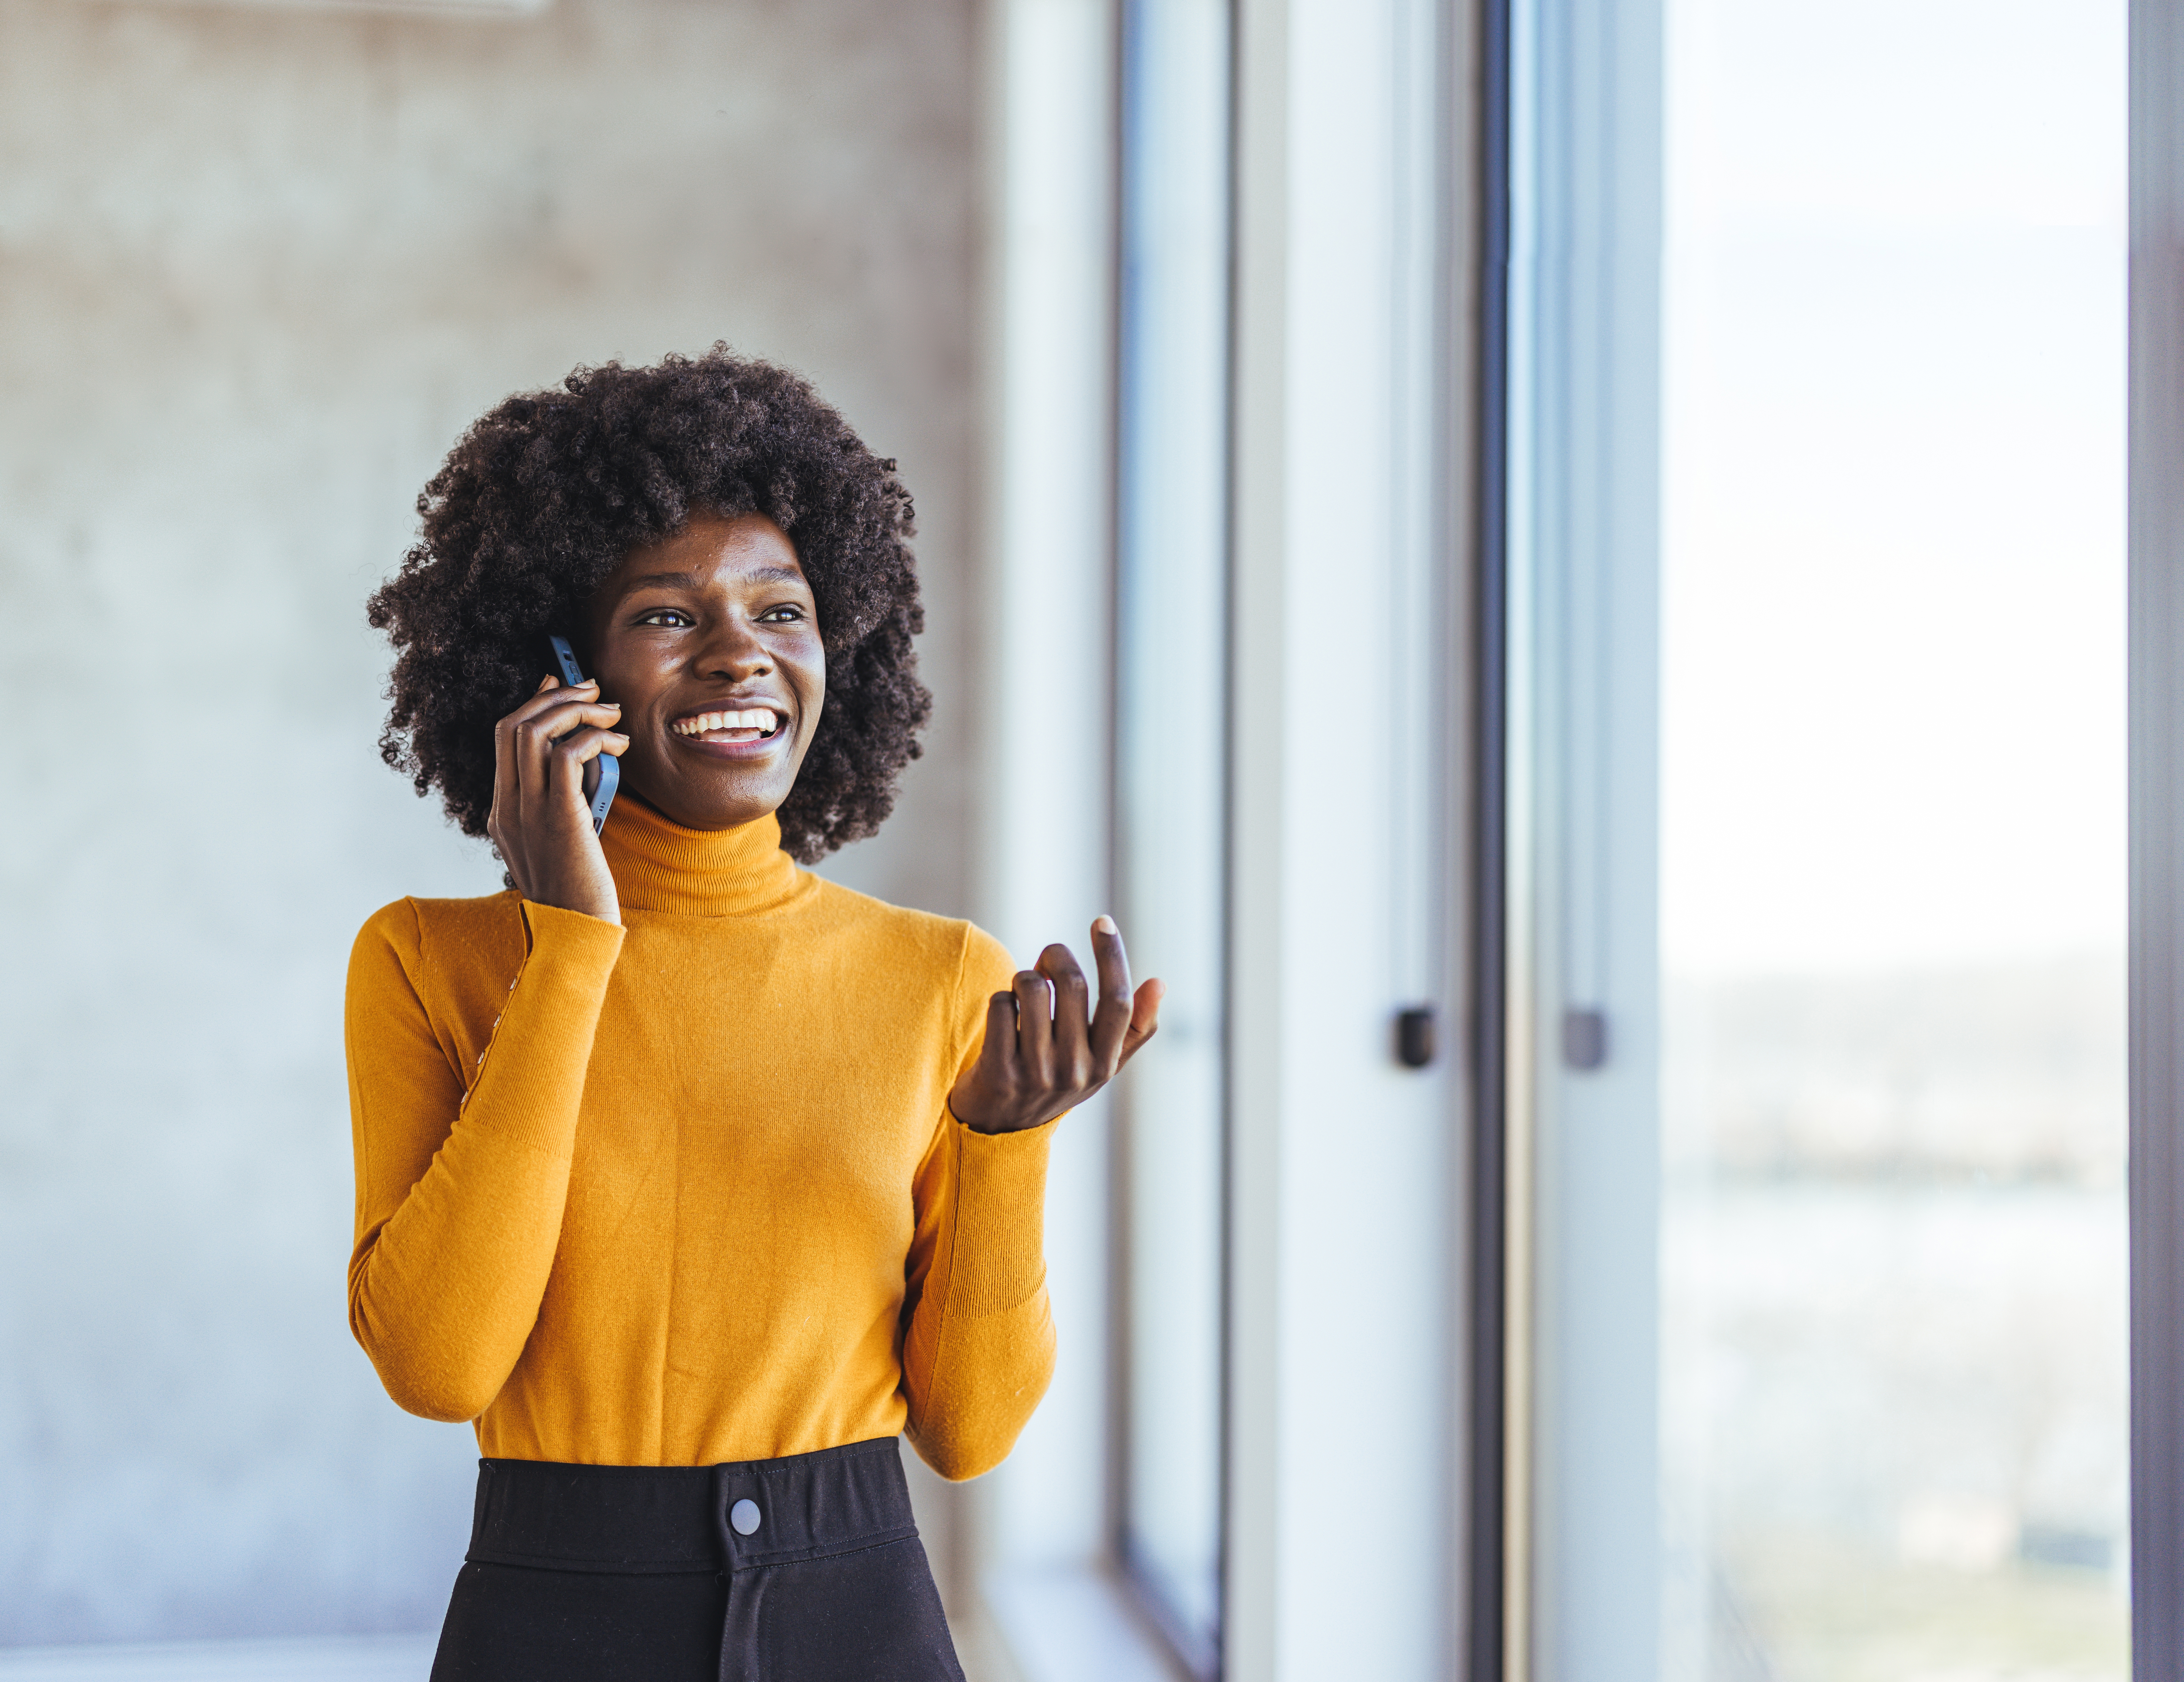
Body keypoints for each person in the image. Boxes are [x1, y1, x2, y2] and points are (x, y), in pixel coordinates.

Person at [345, 347, 1161, 1681]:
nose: (742, 655)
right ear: (559, 668)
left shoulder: (941, 976)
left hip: (860, 1604)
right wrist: (570, 948)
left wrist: (1004, 1146)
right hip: (554, 1614)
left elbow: (968, 1433)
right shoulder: (429, 962)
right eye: (668, 617)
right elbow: (440, 1365)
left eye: (782, 609)